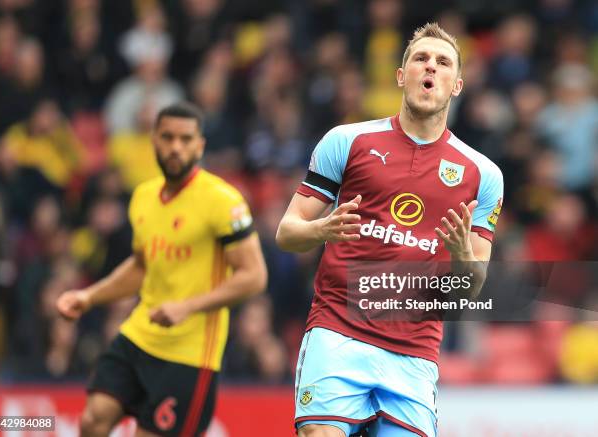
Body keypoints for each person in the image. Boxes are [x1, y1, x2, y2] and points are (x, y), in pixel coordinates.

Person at [276, 23, 503, 437]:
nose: (429, 67)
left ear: (456, 85)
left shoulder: (482, 175)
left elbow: (471, 289)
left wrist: (459, 253)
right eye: (420, 58)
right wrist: (322, 230)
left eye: (442, 62)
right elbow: (287, 232)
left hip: (413, 353)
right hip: (338, 334)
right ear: (402, 76)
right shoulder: (347, 141)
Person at [57, 102, 267, 437]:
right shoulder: (143, 196)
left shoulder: (223, 201)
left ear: (200, 146)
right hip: (140, 334)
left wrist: (187, 307)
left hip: (190, 354)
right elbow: (142, 267)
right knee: (92, 420)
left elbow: (254, 276)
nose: (175, 147)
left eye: (185, 139)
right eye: (167, 137)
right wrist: (89, 297)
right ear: (153, 140)